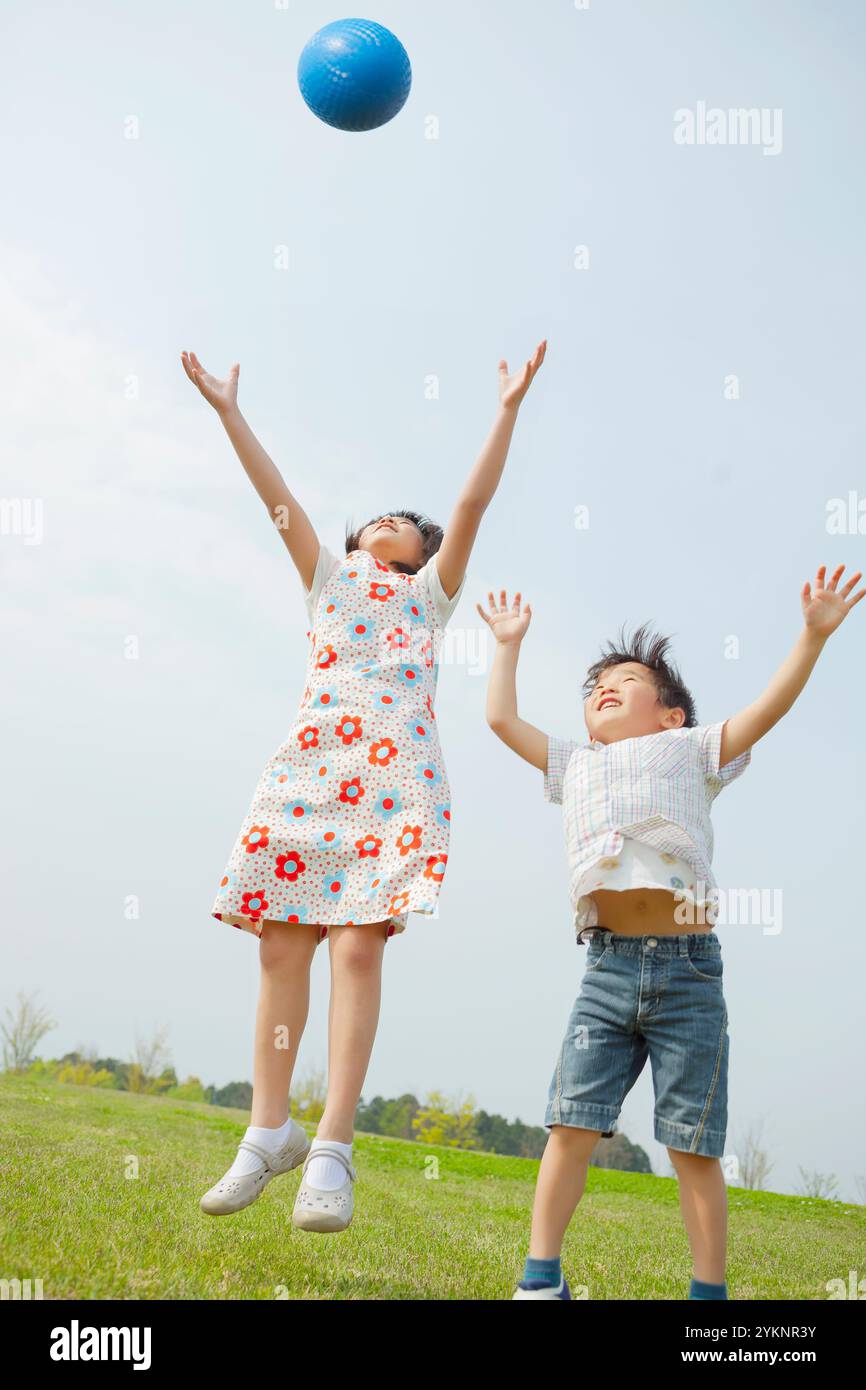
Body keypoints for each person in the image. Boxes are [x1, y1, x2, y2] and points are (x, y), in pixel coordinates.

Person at [181, 341, 546, 1231]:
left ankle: (333, 1148)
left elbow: (472, 504)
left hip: (391, 782)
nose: (390, 522)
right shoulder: (329, 578)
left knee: (356, 949)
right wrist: (230, 413)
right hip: (307, 778)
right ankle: (269, 1132)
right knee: (280, 946)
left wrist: (505, 411)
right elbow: (277, 501)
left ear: (423, 554)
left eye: (406, 523)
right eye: (376, 518)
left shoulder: (429, 598)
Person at [478, 565, 863, 1299]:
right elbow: (501, 720)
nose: (604, 689)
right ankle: (539, 1279)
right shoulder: (576, 763)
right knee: (570, 1125)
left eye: (625, 681)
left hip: (689, 970)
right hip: (606, 970)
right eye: (596, 686)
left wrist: (812, 638)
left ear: (670, 716)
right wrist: (506, 645)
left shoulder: (690, 751)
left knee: (693, 1143)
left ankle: (707, 1296)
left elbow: (766, 710)